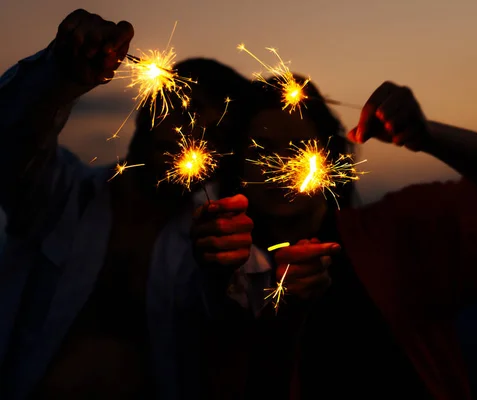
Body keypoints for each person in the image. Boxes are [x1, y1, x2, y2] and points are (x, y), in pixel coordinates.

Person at [0, 9, 296, 400]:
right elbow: (11, 140)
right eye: (185, 110)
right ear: (147, 105)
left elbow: (243, 319)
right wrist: (59, 74)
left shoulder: (222, 248)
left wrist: (225, 272)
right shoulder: (60, 194)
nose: (190, 136)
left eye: (216, 131)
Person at [217, 76, 477, 399]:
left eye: (298, 146)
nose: (280, 163)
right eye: (261, 149)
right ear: (236, 165)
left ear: (331, 156)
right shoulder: (217, 276)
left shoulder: (394, 232)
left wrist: (427, 135)